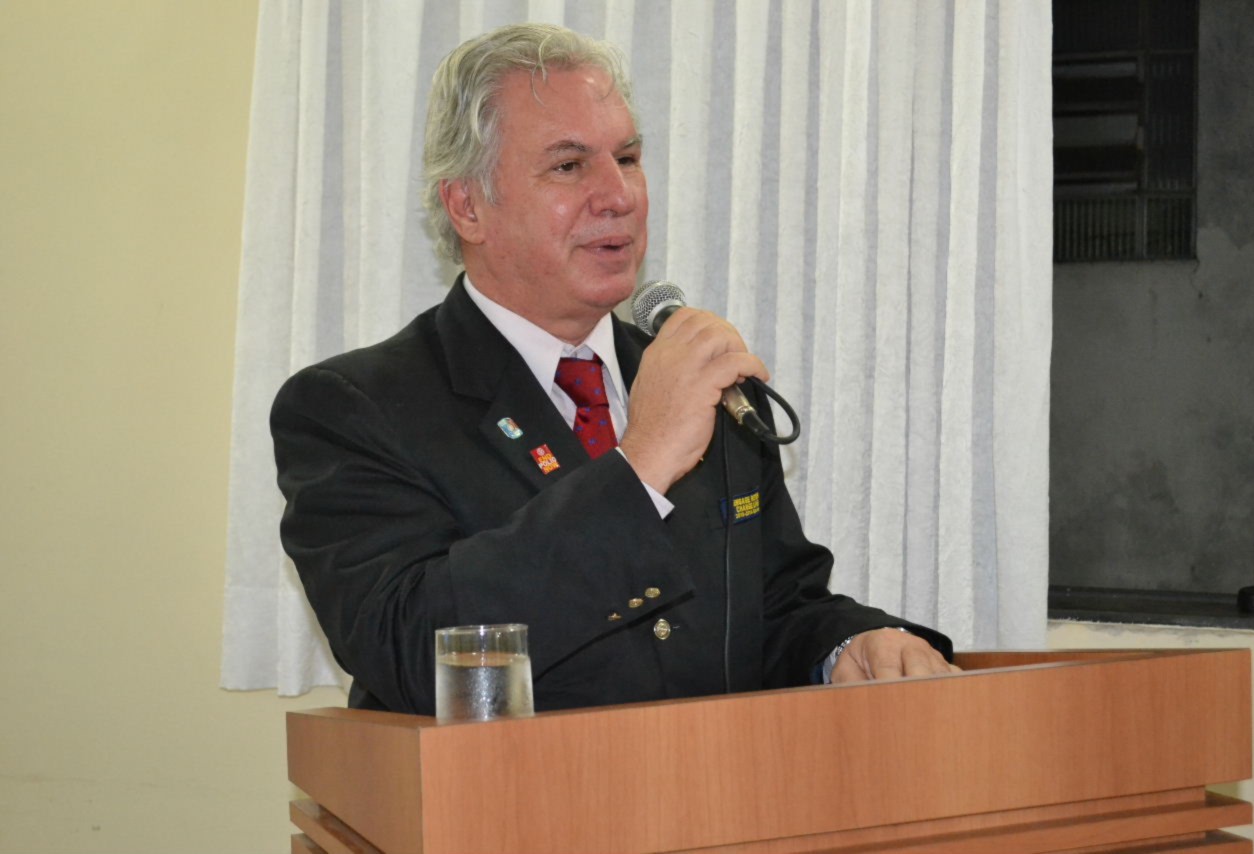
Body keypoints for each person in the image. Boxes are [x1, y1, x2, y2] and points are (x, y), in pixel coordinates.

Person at [271, 22, 954, 716]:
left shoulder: (701, 383)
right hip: (513, 787)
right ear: (468, 206)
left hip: (720, 781)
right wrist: (641, 464)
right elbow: (413, 647)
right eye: (569, 166)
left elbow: (776, 603)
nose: (619, 195)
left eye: (627, 157)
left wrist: (849, 644)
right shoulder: (352, 408)